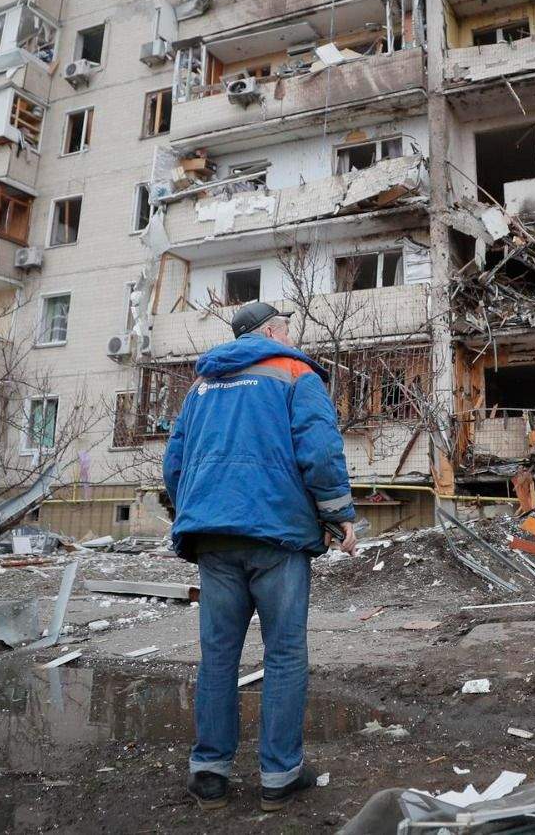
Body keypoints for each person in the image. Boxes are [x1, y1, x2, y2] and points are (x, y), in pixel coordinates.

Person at [163, 301, 358, 813]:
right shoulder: (294, 373)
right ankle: (278, 776)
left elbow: (174, 462)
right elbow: (319, 449)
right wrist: (339, 514)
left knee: (219, 656)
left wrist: (195, 510)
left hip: (214, 537)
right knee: (285, 654)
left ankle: (209, 773)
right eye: (287, 327)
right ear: (272, 330)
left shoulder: (201, 386)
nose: (291, 335)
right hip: (277, 537)